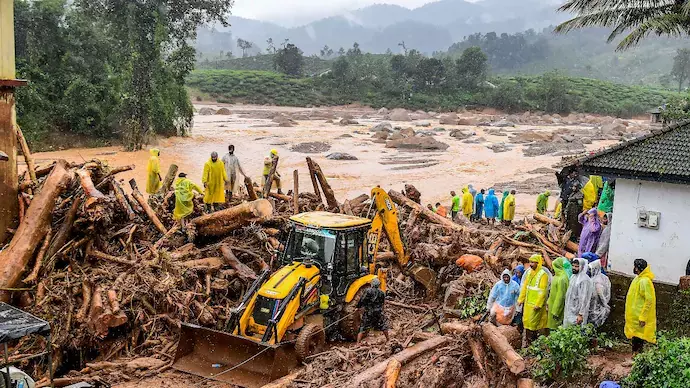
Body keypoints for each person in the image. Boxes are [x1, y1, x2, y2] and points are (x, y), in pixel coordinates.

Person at [625, 259, 656, 352]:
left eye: (635, 267)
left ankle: (636, 358)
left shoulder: (644, 281)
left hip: (639, 317)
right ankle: (635, 357)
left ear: (638, 268)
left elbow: (649, 300)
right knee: (635, 337)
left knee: (638, 338)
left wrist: (643, 317)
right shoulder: (638, 278)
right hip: (634, 317)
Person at [518, 254, 550, 345]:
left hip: (536, 304)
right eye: (530, 262)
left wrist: (538, 304)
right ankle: (528, 342)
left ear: (538, 263)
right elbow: (525, 287)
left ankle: (534, 342)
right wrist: (521, 299)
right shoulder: (529, 273)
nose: (530, 264)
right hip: (528, 303)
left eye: (532, 262)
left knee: (534, 323)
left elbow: (543, 291)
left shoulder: (543, 275)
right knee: (527, 321)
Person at [357, 277, 389, 343]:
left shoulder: (368, 291)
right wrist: (381, 310)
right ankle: (388, 339)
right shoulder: (382, 293)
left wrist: (358, 307)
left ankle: (358, 343)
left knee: (363, 327)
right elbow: (383, 303)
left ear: (372, 284)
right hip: (378, 312)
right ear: (379, 285)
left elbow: (362, 300)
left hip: (369, 312)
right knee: (383, 325)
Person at [563, 258, 593, 327]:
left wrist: (581, 314)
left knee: (577, 331)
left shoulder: (584, 280)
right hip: (570, 309)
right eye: (573, 266)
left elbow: (584, 298)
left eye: (576, 266)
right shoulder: (573, 277)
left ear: (582, 267)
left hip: (577, 311)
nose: (574, 268)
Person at [547, 257, 570, 331]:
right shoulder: (557, 276)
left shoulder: (562, 278)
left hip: (556, 310)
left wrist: (556, 311)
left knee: (555, 329)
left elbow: (560, 296)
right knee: (551, 327)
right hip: (552, 306)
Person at [589, 259, 611, 328]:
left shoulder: (596, 280)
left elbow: (600, 293)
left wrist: (605, 305)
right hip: (598, 304)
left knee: (593, 323)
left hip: (596, 305)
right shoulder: (603, 277)